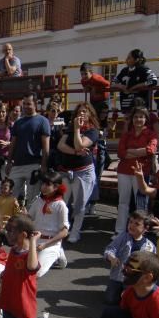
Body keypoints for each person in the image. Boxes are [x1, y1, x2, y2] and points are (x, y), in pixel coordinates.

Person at [55, 102, 99, 242]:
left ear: (90, 115)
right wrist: (75, 152)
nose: (81, 114)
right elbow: (61, 146)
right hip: (67, 170)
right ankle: (63, 229)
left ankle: (76, 231)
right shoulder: (70, 128)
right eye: (79, 112)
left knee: (80, 203)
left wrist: (77, 130)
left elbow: (80, 144)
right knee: (63, 202)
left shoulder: (93, 131)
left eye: (85, 112)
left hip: (83, 171)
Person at [0, 214, 45, 318]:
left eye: (11, 232)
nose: (7, 234)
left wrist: (34, 241)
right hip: (9, 301)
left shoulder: (29, 255)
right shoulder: (14, 249)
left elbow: (31, 266)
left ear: (23, 235)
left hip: (22, 303)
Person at [115, 107, 157, 235]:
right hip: (124, 170)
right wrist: (140, 151)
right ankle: (120, 230)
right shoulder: (127, 134)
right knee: (123, 202)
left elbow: (151, 150)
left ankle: (140, 231)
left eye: (141, 117)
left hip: (141, 171)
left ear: (146, 119)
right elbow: (120, 153)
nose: (138, 119)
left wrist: (131, 151)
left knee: (141, 203)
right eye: (136, 117)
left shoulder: (151, 133)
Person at [103, 211, 156, 305]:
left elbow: (152, 265)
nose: (131, 225)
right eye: (130, 222)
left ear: (146, 228)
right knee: (110, 300)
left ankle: (128, 295)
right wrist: (112, 258)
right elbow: (110, 249)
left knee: (131, 302)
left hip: (135, 281)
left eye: (137, 224)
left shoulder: (150, 246)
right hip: (118, 277)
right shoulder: (123, 237)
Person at [5, 94, 50, 204]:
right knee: (8, 197)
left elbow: (46, 146)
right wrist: (9, 162)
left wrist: (44, 165)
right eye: (24, 104)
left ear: (35, 104)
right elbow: (13, 143)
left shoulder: (43, 121)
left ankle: (30, 221)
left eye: (28, 104)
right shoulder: (18, 122)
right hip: (17, 165)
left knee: (32, 200)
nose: (25, 106)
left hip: (34, 165)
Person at [27, 171, 69, 278]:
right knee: (25, 266)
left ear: (56, 187)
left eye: (47, 185)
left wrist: (46, 245)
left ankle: (58, 251)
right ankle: (59, 252)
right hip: (35, 240)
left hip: (50, 243)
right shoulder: (38, 201)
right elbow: (29, 218)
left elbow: (64, 231)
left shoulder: (61, 205)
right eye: (43, 184)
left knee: (37, 272)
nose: (43, 187)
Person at [110, 49, 158, 114]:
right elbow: (112, 82)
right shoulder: (124, 70)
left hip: (139, 106)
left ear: (136, 59)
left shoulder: (143, 69)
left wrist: (135, 87)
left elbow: (153, 80)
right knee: (127, 122)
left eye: (129, 58)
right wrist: (120, 86)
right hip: (126, 105)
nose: (126, 60)